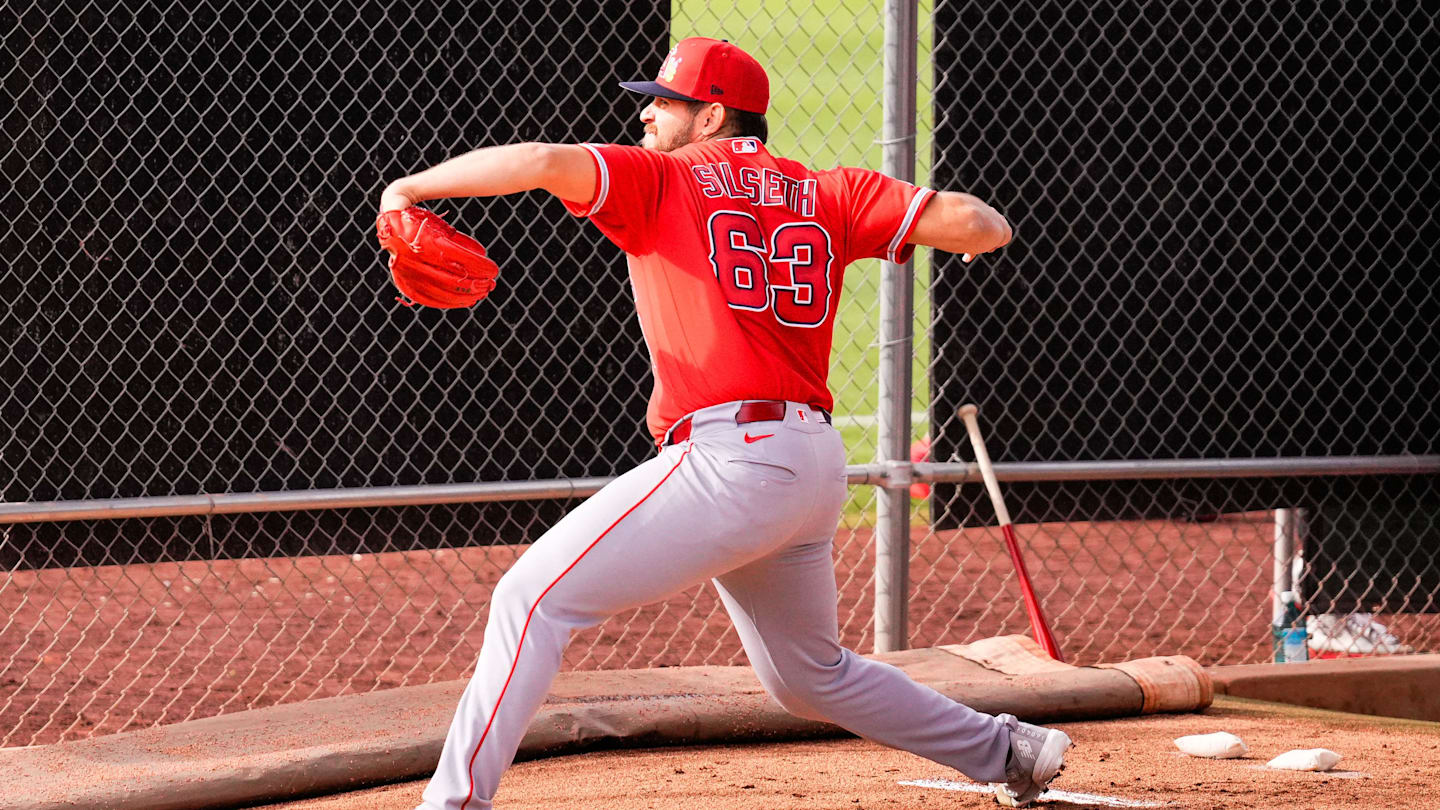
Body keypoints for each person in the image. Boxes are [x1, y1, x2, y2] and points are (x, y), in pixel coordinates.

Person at [380, 36, 1070, 810]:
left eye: (663, 101)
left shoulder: (660, 178)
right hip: (811, 464)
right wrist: (977, 238)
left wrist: (407, 188)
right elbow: (979, 221)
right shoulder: (828, 189)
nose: (646, 113)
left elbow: (540, 161)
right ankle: (1008, 750)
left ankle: (452, 804)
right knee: (807, 676)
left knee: (531, 600)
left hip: (732, 460)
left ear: (711, 115)